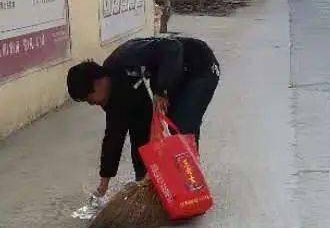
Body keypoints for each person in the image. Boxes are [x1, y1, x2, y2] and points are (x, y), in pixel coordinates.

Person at [67, 35, 221, 199]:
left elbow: (173, 47)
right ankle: (161, 184)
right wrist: (104, 186)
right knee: (157, 127)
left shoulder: (126, 57)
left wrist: (161, 91)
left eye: (89, 99)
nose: (92, 104)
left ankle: (193, 189)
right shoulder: (115, 97)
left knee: (182, 124)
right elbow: (116, 136)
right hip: (177, 76)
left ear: (98, 83)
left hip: (200, 65)